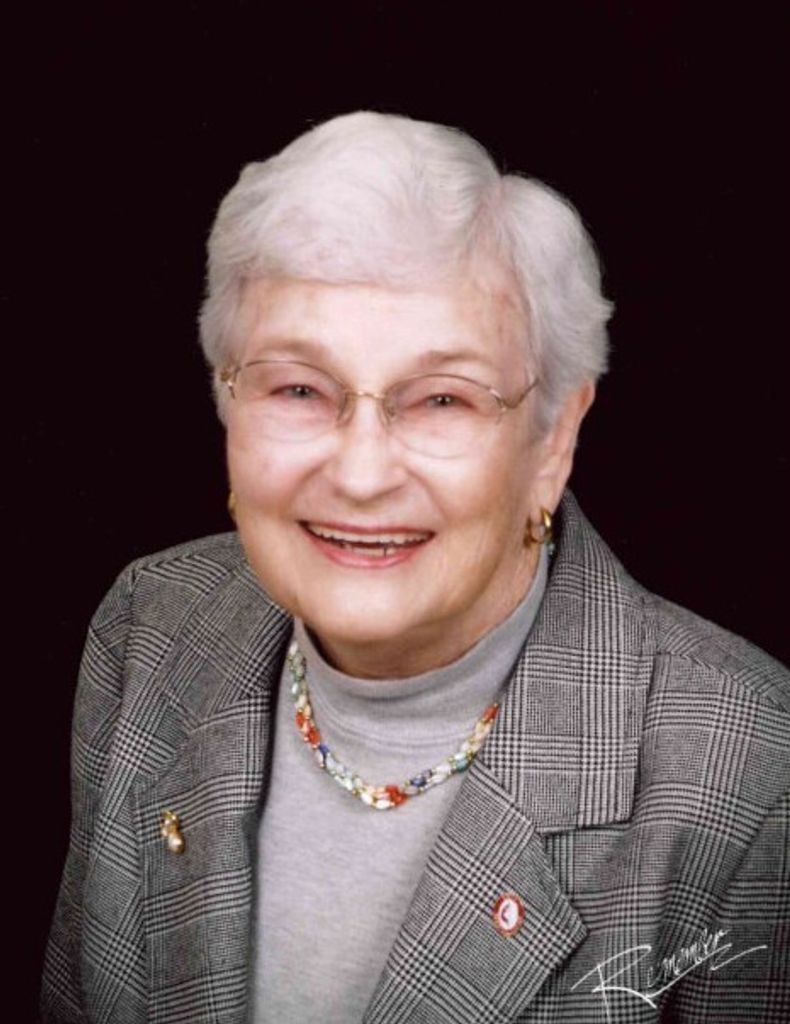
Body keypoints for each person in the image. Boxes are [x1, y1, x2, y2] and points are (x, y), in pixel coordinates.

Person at [41, 112, 789, 1024]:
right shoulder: (149, 627)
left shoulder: (753, 775)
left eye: (441, 399)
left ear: (553, 439)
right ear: (226, 400)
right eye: (298, 388)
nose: (361, 476)